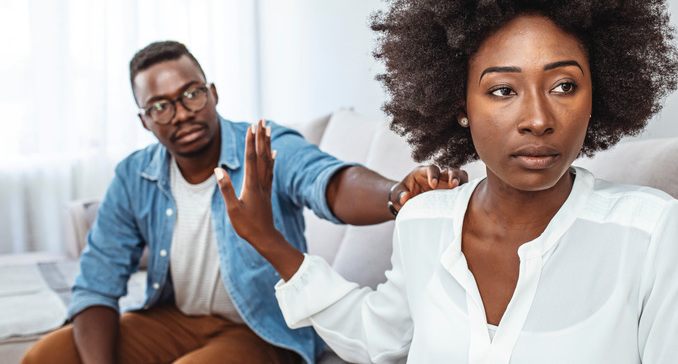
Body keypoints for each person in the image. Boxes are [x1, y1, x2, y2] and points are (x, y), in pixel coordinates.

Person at [215, 0, 678, 363]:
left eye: (564, 86)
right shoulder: (424, 222)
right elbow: (380, 339)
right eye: (503, 90)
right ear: (458, 101)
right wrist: (269, 242)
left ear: (599, 93)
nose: (537, 118)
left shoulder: (649, 231)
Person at [22, 41, 466, 364]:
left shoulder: (263, 145)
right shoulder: (134, 175)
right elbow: (97, 284)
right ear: (144, 120)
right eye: (160, 106)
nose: (181, 112)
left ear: (212, 93)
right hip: (174, 318)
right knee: (47, 355)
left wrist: (396, 194)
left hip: (263, 328)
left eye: (191, 94)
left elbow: (330, 184)